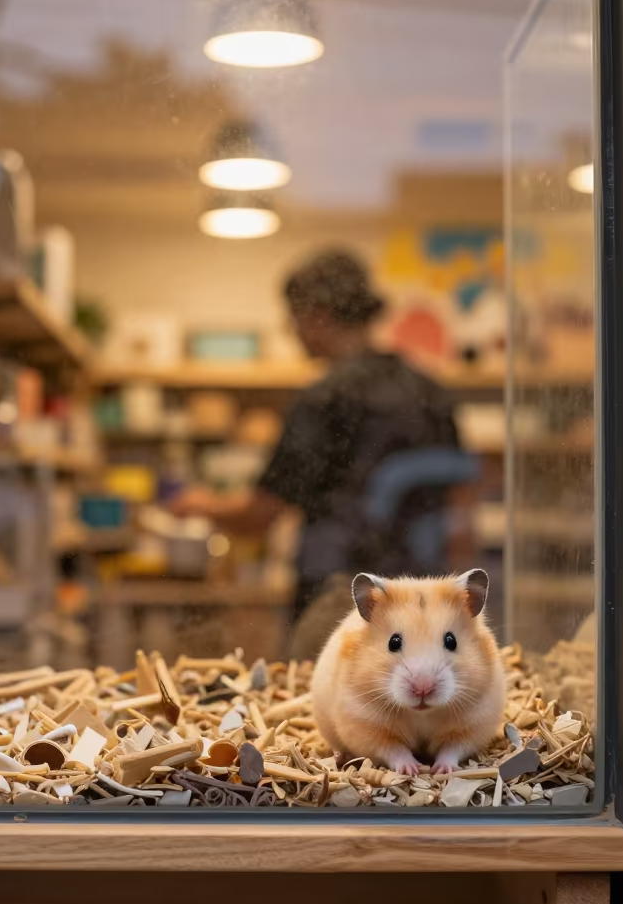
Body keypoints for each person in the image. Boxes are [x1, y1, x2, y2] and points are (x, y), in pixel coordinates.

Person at [170, 249, 470, 632]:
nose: (292, 330)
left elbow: (262, 513)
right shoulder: (430, 393)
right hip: (424, 602)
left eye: (293, 318)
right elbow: (463, 509)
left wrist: (201, 504)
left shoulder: (323, 399)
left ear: (319, 315)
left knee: (322, 690)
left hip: (340, 600)